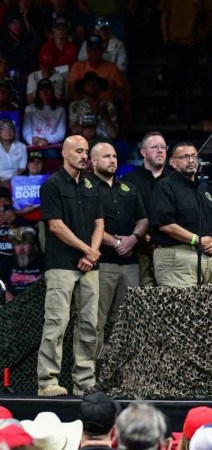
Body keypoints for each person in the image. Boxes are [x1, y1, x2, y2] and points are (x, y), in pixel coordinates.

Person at [37, 134, 104, 396]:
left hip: (89, 265)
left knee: (89, 323)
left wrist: (93, 253)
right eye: (78, 150)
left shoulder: (91, 184)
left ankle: (84, 381)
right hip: (61, 265)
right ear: (64, 154)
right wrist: (87, 250)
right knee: (57, 322)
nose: (84, 155)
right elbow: (55, 226)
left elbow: (100, 223)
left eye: (86, 151)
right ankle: (47, 382)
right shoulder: (51, 185)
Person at [89, 142, 147, 362]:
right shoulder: (86, 188)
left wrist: (133, 238)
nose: (113, 160)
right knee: (97, 318)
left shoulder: (128, 188)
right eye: (106, 156)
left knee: (129, 318)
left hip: (130, 263)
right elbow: (87, 223)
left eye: (114, 156)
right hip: (102, 263)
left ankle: (125, 368)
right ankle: (95, 369)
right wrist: (115, 242)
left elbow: (143, 219)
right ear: (93, 161)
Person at [150, 142, 212, 287]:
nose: (191, 160)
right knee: (180, 308)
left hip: (208, 259)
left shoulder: (205, 189)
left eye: (194, 156)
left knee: (206, 309)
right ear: (173, 162)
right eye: (184, 157)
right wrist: (197, 240)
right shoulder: (164, 186)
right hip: (177, 258)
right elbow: (165, 224)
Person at [121, 132, 168, 287]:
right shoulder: (130, 180)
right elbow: (125, 212)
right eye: (155, 147)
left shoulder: (175, 179)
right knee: (143, 300)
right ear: (143, 152)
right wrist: (143, 235)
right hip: (139, 250)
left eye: (163, 147)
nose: (160, 151)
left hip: (169, 249)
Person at [69, 71, 118, 139]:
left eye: (94, 84)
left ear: (99, 87)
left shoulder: (109, 106)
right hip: (84, 142)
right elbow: (74, 131)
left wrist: (105, 116)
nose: (92, 87)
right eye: (88, 85)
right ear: (84, 87)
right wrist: (86, 123)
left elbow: (113, 135)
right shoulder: (75, 106)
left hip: (104, 143)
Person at [0, 226, 43, 303]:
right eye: (17, 244)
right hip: (13, 304)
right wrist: (8, 296)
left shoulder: (42, 261)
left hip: (37, 303)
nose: (21, 248)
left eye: (25, 243)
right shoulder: (7, 262)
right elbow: (2, 284)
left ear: (32, 245)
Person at [23, 79, 67, 146]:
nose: (45, 92)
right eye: (42, 90)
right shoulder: (29, 109)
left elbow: (61, 133)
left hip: (52, 145)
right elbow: (26, 132)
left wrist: (46, 140)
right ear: (38, 93)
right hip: (34, 145)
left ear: (52, 91)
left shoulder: (60, 110)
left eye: (47, 89)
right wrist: (33, 140)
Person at [0, 119, 27, 185]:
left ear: (14, 132)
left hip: (17, 180)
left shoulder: (22, 146)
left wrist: (13, 180)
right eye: (4, 128)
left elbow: (22, 168)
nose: (8, 131)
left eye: (11, 128)